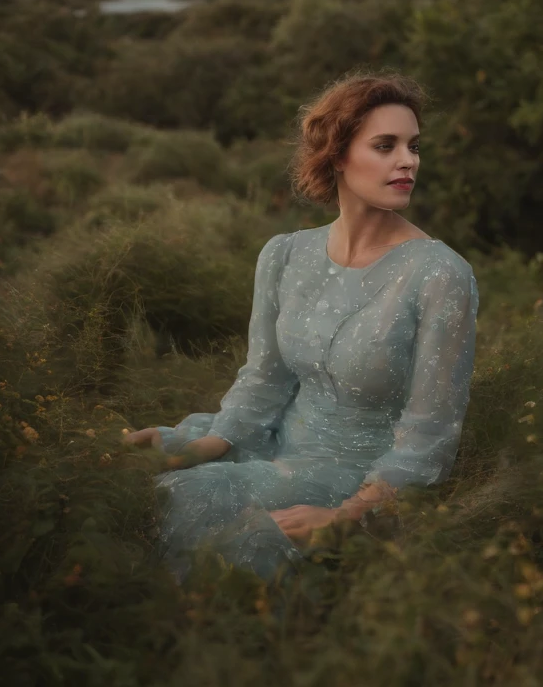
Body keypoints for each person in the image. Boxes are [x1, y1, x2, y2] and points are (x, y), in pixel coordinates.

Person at [122, 71, 479, 582]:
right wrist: (202, 447)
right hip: (271, 441)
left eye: (414, 145)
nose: (409, 160)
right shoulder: (286, 254)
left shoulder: (440, 274)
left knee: (185, 505)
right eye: (386, 145)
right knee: (134, 470)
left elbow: (431, 434)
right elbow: (264, 379)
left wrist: (346, 519)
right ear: (337, 154)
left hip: (354, 479)